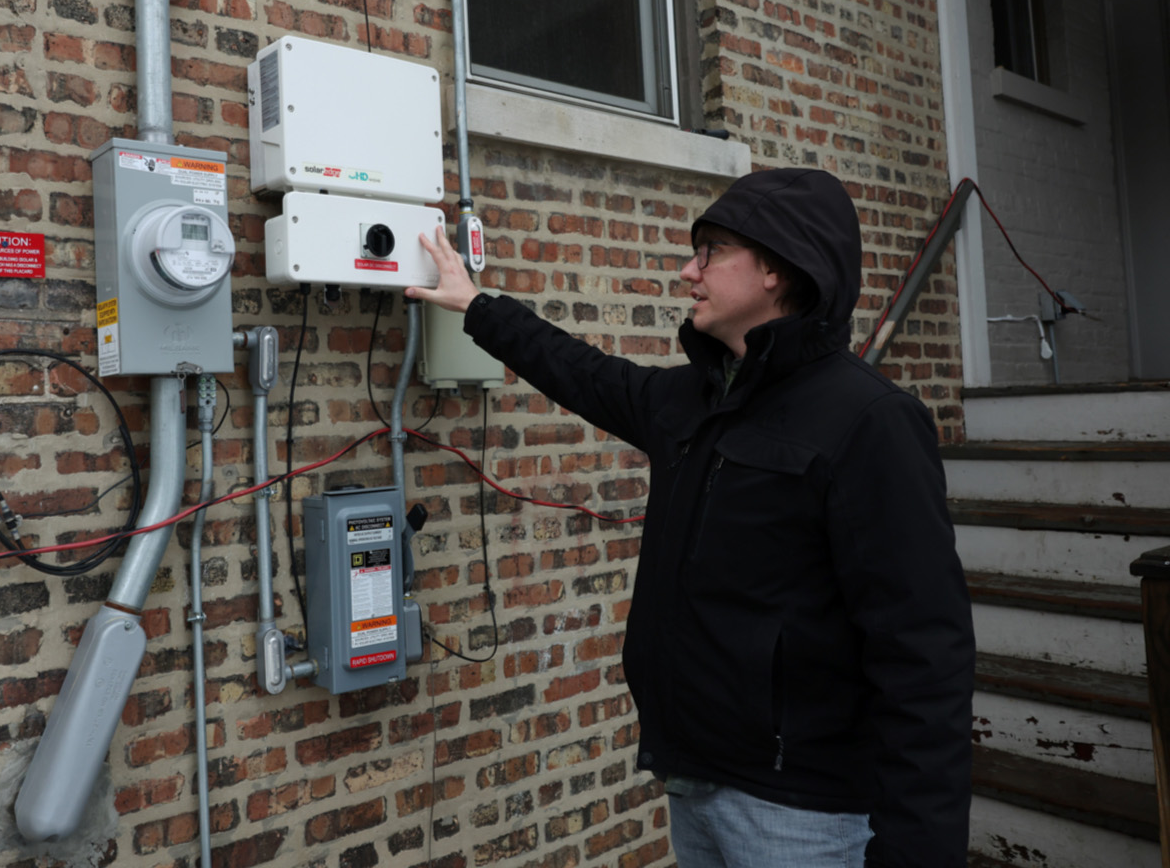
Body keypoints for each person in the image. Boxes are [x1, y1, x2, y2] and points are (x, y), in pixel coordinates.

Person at [402, 168, 970, 867]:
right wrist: (476, 305)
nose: (686, 271)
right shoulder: (690, 401)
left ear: (777, 269)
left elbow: (924, 654)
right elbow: (581, 372)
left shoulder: (869, 421)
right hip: (693, 784)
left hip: (801, 814)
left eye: (711, 253)